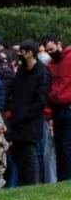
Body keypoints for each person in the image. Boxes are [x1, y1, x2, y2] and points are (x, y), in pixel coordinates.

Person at [7, 40, 52, 186]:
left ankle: (32, 183)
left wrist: (25, 114)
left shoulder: (42, 72)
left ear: (30, 53)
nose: (19, 54)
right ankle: (24, 183)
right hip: (17, 118)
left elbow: (41, 100)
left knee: (29, 153)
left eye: (22, 52)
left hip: (31, 119)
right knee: (19, 153)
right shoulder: (21, 70)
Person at [44, 34, 71, 181]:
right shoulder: (50, 65)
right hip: (57, 108)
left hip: (67, 106)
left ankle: (66, 177)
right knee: (60, 145)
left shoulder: (68, 58)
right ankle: (63, 178)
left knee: (65, 145)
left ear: (59, 44)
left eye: (52, 49)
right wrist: (49, 114)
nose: (50, 52)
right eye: (48, 50)